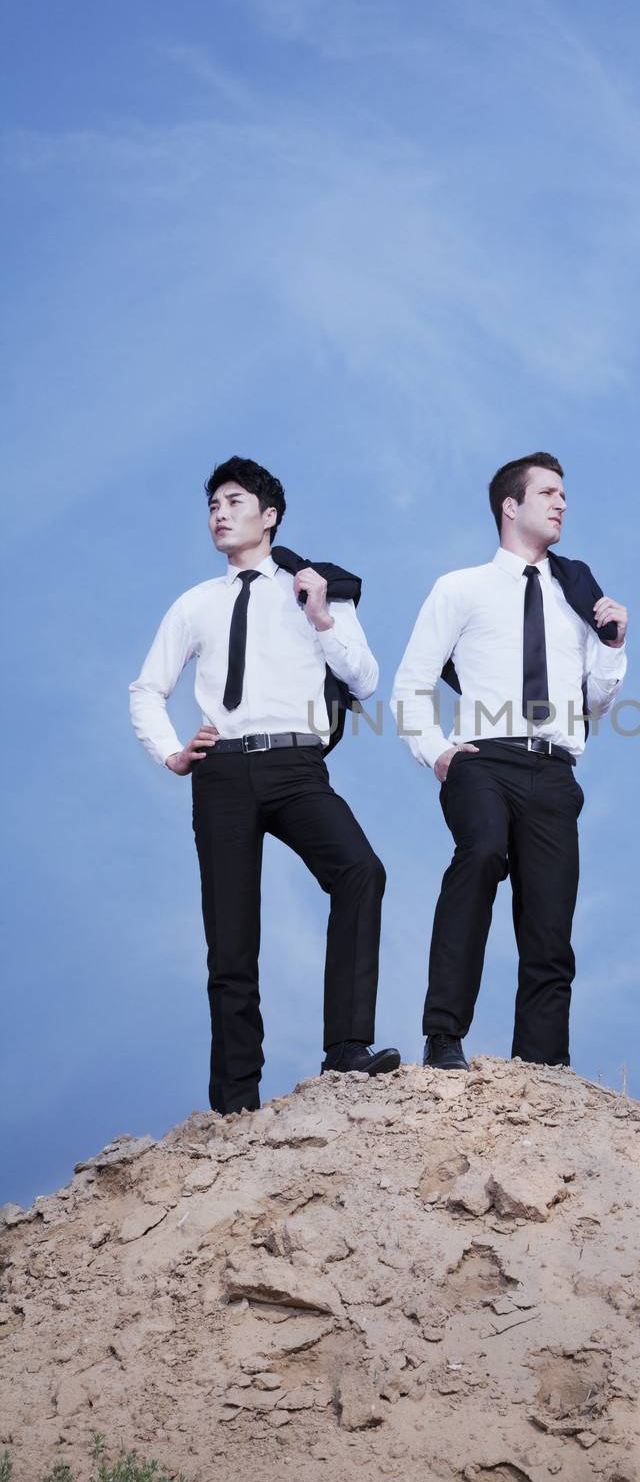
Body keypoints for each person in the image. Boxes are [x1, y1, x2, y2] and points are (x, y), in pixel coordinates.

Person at [129, 457, 398, 1114]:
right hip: (220, 772)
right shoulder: (195, 603)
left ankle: (346, 1052)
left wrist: (321, 614)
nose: (219, 513)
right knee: (231, 937)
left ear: (269, 514)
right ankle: (234, 1101)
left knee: (361, 870)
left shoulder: (318, 590)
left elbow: (363, 681)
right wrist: (172, 752)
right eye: (212, 505)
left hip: (295, 766)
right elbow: (146, 689)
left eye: (233, 501)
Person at [391, 453, 628, 1071]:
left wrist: (612, 644)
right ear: (510, 505)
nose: (562, 503)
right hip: (482, 761)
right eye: (549, 492)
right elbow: (412, 682)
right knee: (483, 852)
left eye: (564, 495)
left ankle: (544, 1068)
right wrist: (437, 751)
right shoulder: (461, 587)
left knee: (550, 924)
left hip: (554, 770)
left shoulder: (579, 594)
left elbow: (595, 705)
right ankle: (443, 1037)